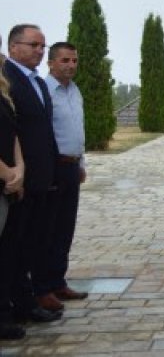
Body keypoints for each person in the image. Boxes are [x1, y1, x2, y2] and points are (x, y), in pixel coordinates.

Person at [0, 24, 61, 328]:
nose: (39, 50)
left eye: (42, 46)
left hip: (38, 177)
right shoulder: (7, 79)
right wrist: (16, 172)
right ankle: (7, 308)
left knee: (30, 244)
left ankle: (25, 301)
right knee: (11, 246)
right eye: (33, 45)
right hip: (15, 180)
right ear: (13, 47)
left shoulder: (36, 80)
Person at [42, 42, 89, 305]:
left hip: (72, 166)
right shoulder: (44, 90)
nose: (70, 65)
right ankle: (42, 286)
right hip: (53, 167)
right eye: (64, 60)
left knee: (65, 229)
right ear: (51, 63)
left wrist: (81, 163)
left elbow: (76, 130)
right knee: (47, 229)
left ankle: (58, 281)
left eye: (74, 60)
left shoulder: (75, 91)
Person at [0, 42, 25, 340]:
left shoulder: (4, 92)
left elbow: (13, 133)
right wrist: (9, 173)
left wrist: (19, 168)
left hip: (9, 181)